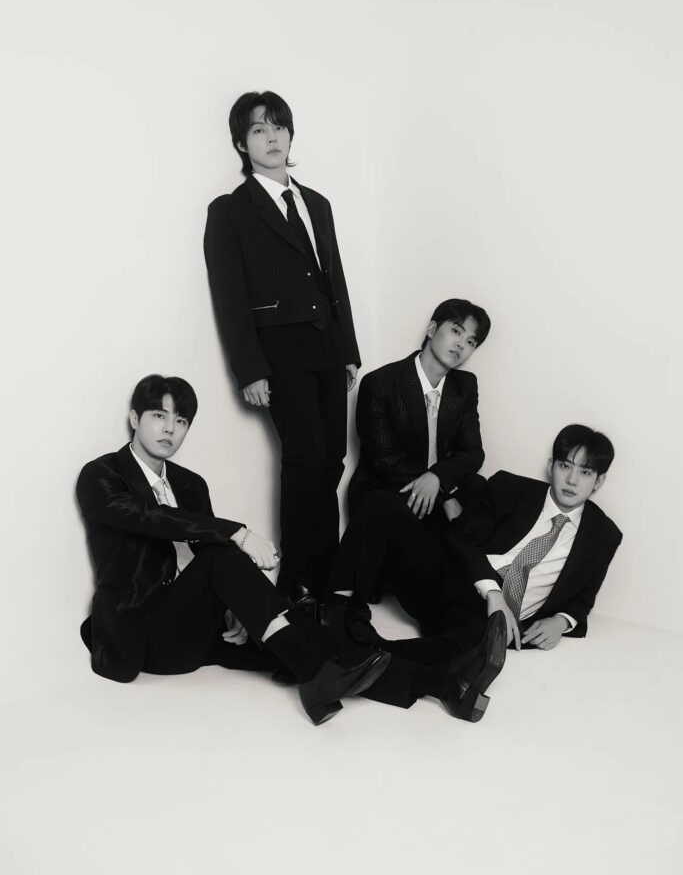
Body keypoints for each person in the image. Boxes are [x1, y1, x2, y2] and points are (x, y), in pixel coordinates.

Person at [77, 375, 508, 723]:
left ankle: (443, 684)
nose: (170, 428)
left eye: (181, 420)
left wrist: (232, 610)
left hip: (197, 629)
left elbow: (203, 559)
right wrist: (239, 533)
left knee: (311, 639)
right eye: (159, 416)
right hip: (143, 636)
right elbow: (150, 519)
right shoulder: (101, 475)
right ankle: (316, 678)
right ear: (134, 418)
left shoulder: (190, 484)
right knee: (228, 557)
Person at [203, 91, 359, 604]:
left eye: (278, 127)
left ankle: (324, 575)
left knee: (332, 457)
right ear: (241, 144)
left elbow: (335, 279)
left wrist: (348, 349)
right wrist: (249, 368)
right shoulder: (231, 210)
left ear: (290, 134)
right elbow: (229, 295)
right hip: (279, 347)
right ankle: (297, 579)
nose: (271, 138)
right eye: (258, 130)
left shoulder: (318, 203)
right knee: (304, 457)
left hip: (328, 344)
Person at [329, 424, 622, 665]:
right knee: (382, 503)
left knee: (471, 645)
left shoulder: (604, 535)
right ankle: (337, 612)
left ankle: (361, 656)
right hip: (449, 579)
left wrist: (562, 621)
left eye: (585, 472)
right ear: (551, 466)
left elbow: (584, 597)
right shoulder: (510, 488)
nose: (572, 480)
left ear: (599, 481)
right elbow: (461, 537)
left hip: (482, 623)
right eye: (565, 466)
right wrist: (492, 592)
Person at [326, 297, 490, 617]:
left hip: (433, 492)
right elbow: (384, 459)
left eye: (471, 341)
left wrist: (438, 479)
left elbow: (473, 452)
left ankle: (481, 585)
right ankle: (348, 603)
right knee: (388, 507)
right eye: (456, 331)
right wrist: (442, 496)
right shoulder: (381, 383)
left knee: (481, 488)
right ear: (432, 329)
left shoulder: (465, 386)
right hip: (388, 489)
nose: (462, 345)